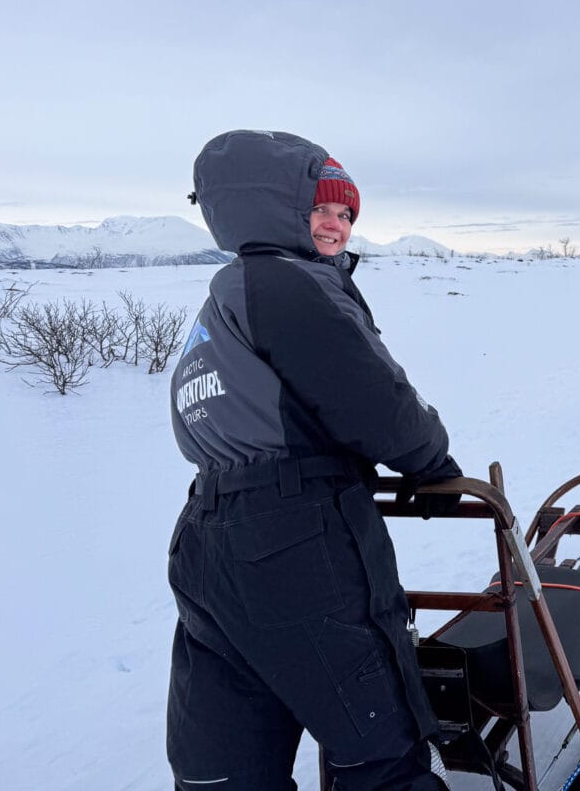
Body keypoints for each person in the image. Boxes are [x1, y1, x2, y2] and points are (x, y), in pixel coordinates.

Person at [167, 130, 459, 790]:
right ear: (271, 206)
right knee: (381, 742)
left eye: (347, 214)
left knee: (226, 760)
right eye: (320, 207)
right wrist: (432, 463)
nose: (336, 224)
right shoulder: (289, 285)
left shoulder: (225, 298)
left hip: (206, 539)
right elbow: (375, 404)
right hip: (296, 537)